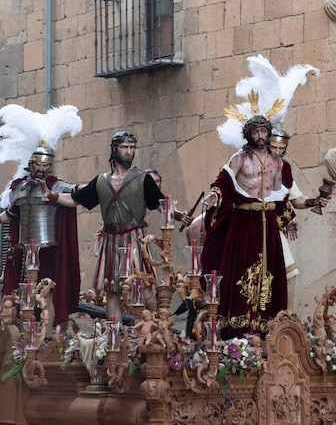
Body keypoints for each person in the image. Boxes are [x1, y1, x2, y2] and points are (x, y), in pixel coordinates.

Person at [39, 131, 191, 322]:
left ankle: (156, 328)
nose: (129, 152)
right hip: (110, 240)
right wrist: (50, 195)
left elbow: (161, 203)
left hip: (135, 239)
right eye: (124, 147)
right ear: (114, 149)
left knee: (145, 290)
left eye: (132, 148)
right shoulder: (101, 181)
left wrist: (178, 215)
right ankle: (114, 341)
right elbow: (74, 199)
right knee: (112, 292)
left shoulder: (144, 179)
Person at [201, 115, 288, 339]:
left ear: (269, 133)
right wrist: (214, 195)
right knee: (243, 269)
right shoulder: (239, 158)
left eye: (264, 131)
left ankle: (266, 326)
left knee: (271, 272)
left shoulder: (277, 162)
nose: (260, 136)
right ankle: (240, 326)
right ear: (248, 134)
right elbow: (222, 182)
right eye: (255, 132)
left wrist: (289, 218)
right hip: (244, 220)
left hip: (267, 221)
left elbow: (279, 192)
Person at [0, 143, 80, 328]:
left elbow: (77, 191)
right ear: (31, 163)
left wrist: (98, 185)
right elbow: (12, 214)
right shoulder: (19, 188)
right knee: (22, 293)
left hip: (47, 249)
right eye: (39, 165)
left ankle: (46, 336)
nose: (42, 169)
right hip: (23, 249)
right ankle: (24, 336)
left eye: (45, 165)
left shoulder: (55, 185)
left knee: (46, 293)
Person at [268, 128, 331, 311]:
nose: (278, 152)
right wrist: (287, 216)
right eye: (274, 147)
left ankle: (287, 320)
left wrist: (315, 201)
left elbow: (296, 199)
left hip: (273, 226)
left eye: (282, 148)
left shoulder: (284, 169)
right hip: (252, 226)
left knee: (289, 273)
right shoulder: (254, 167)